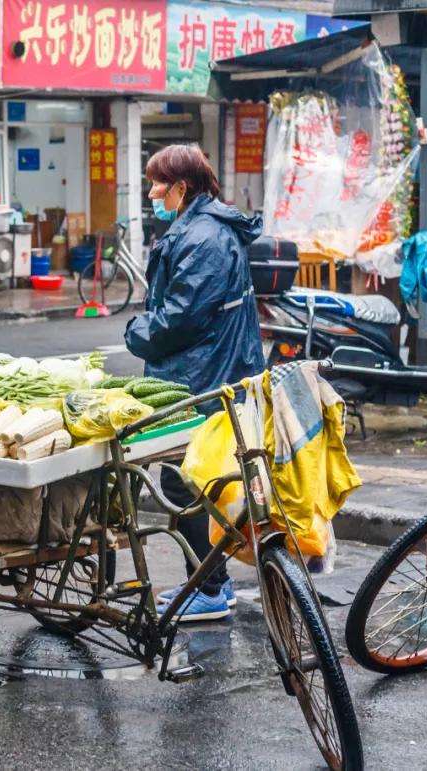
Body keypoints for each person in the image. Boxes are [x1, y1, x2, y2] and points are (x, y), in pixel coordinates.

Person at [124, 144, 265, 622]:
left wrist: (137, 333)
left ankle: (208, 587)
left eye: (156, 185)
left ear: (181, 188)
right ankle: (213, 583)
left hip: (202, 375)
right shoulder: (204, 227)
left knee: (183, 483)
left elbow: (180, 318)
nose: (151, 193)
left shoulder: (203, 237)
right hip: (212, 369)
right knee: (199, 480)